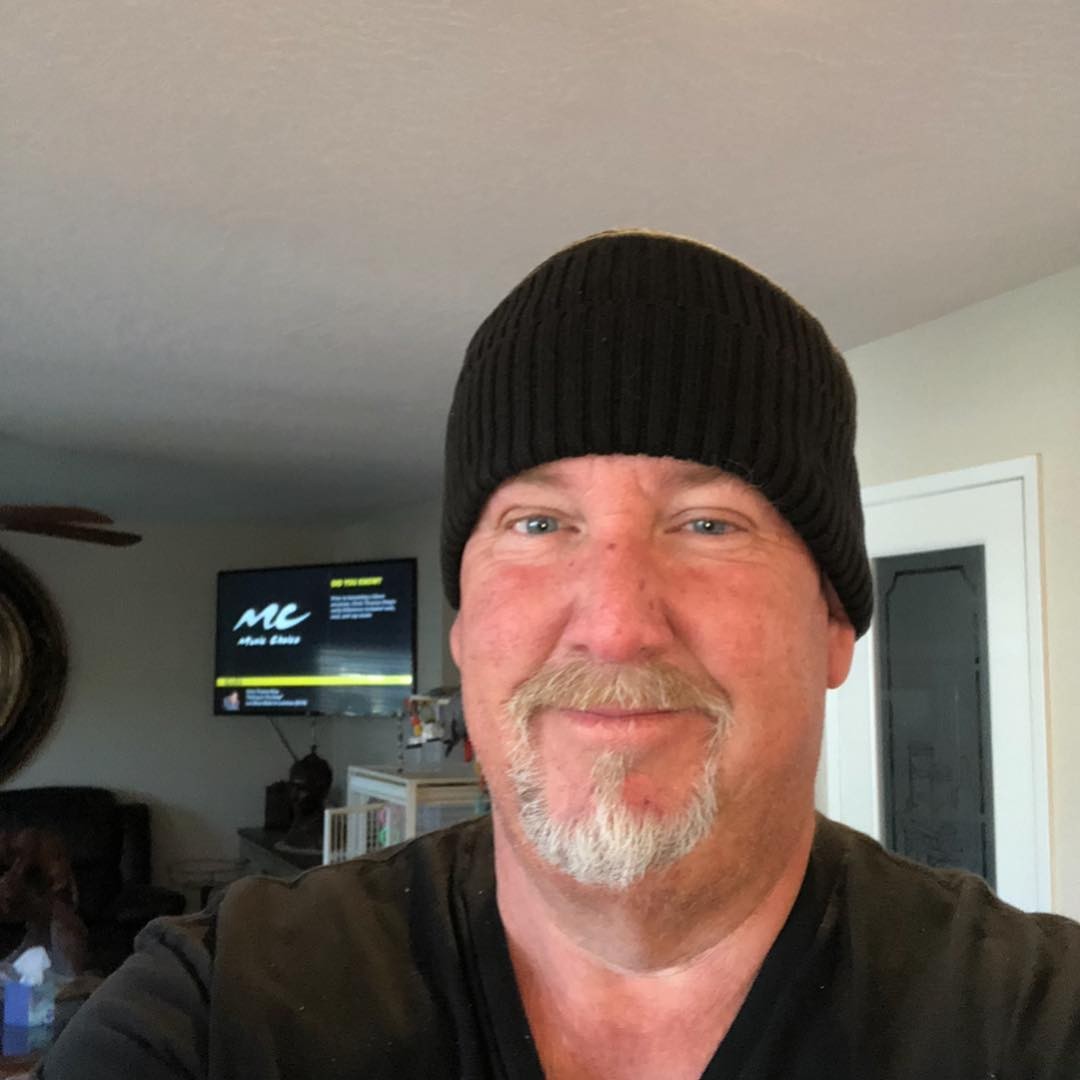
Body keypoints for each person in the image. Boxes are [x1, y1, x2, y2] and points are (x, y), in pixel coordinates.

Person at [42, 231, 1080, 1078]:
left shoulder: (1032, 1024)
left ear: (835, 626)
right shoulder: (218, 1014)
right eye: (538, 525)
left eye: (709, 524)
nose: (617, 625)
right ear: (463, 629)